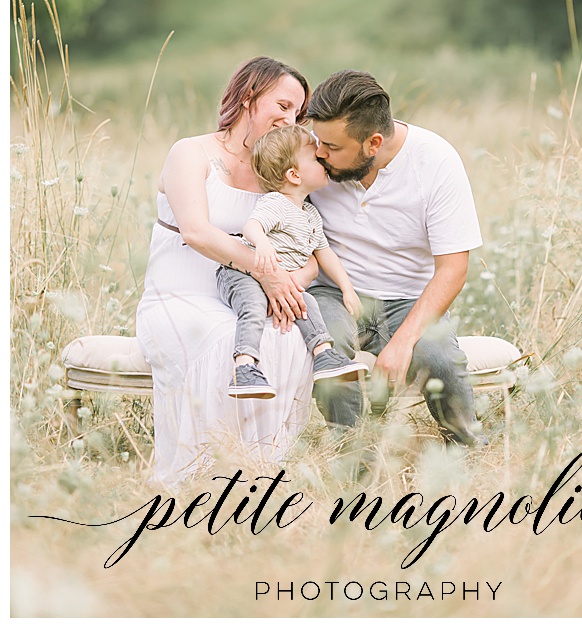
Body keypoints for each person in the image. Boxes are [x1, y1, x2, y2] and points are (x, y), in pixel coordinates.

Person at [136, 56, 316, 488]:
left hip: (244, 301)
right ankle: (199, 481)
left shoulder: (278, 173)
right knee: (221, 339)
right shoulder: (191, 153)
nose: (290, 119)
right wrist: (266, 271)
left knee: (286, 338)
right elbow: (196, 232)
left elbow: (309, 243)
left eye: (297, 112)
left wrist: (290, 285)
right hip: (179, 298)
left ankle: (261, 473)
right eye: (283, 105)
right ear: (249, 95)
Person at [303, 70, 485, 447]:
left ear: (373, 143)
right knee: (328, 347)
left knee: (439, 361)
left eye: (332, 148)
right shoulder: (314, 155)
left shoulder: (435, 161)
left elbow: (453, 268)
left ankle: (468, 451)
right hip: (334, 292)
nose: (319, 153)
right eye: (318, 141)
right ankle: (351, 453)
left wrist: (403, 341)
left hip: (408, 300)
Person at [220, 123, 368, 399]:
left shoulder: (310, 214)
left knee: (308, 303)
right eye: (315, 157)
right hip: (241, 274)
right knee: (252, 306)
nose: (323, 158)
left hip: (279, 280)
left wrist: (347, 288)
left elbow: (325, 254)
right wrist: (262, 242)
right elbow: (252, 227)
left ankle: (324, 355)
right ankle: (244, 368)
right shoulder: (276, 202)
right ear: (294, 175)